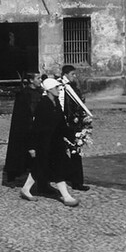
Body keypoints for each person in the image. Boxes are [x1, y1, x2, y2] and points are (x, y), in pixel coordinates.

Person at [20, 78, 79, 207]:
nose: (58, 90)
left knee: (46, 167)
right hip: (44, 143)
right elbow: (35, 127)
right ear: (49, 90)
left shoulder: (56, 102)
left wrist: (73, 136)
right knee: (46, 168)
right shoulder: (43, 104)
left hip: (55, 143)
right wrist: (31, 146)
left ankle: (26, 189)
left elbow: (61, 123)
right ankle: (66, 197)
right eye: (56, 88)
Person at [3, 73, 42, 184]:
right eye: (38, 78)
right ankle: (13, 175)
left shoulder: (40, 92)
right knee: (19, 150)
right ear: (31, 80)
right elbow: (22, 113)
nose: (40, 80)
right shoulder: (23, 94)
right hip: (25, 126)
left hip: (35, 125)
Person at [59, 65, 90, 191]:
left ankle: (77, 181)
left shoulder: (73, 87)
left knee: (75, 152)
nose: (74, 76)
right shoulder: (62, 88)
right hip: (66, 123)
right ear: (65, 74)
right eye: (72, 74)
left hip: (74, 124)